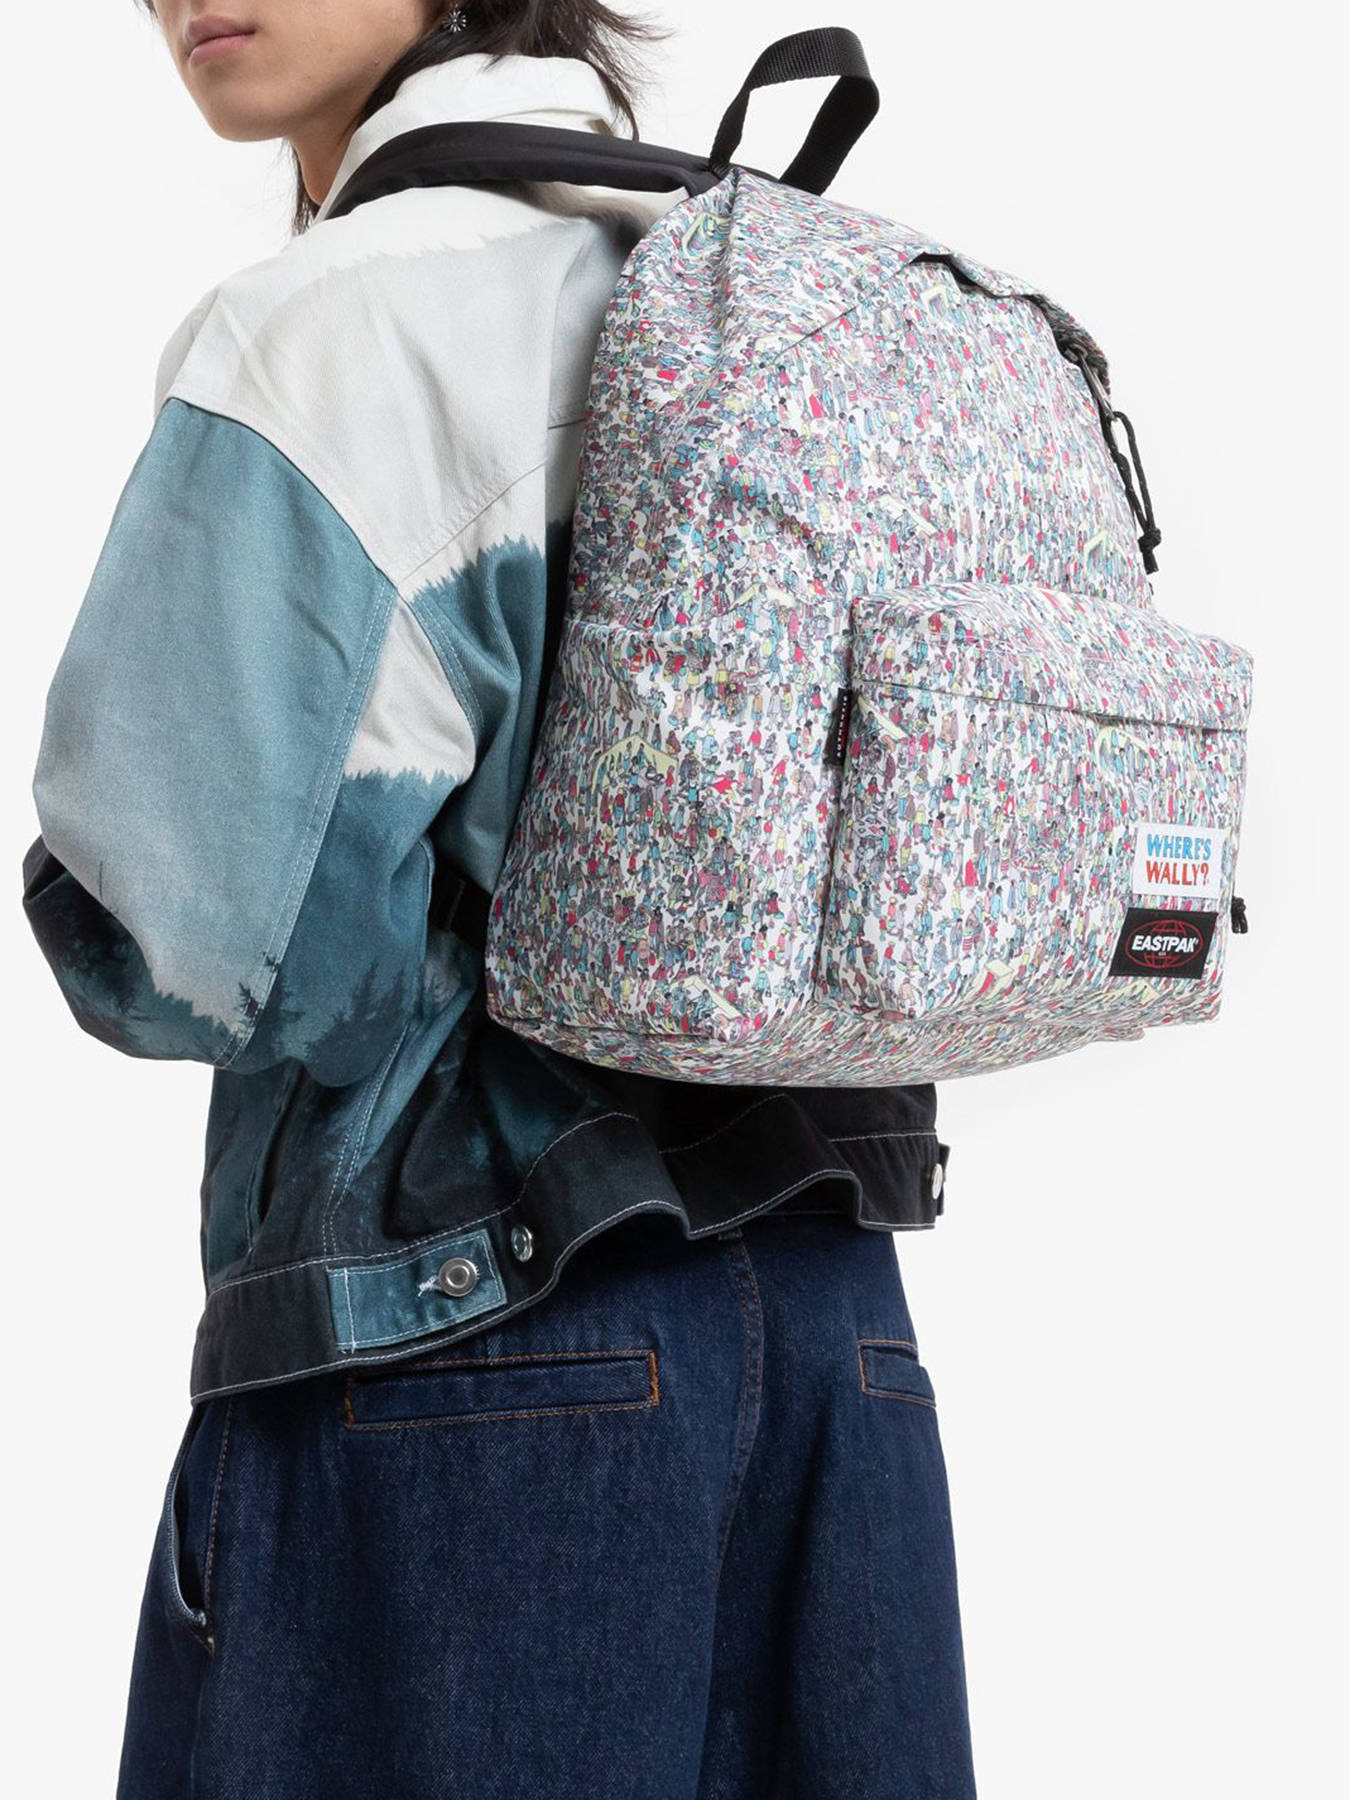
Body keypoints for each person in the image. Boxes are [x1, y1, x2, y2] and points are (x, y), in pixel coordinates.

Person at [21, 4, 977, 1794]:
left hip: (462, 1350)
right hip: (842, 1343)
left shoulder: (330, 326)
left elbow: (200, 946)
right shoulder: (775, 291)